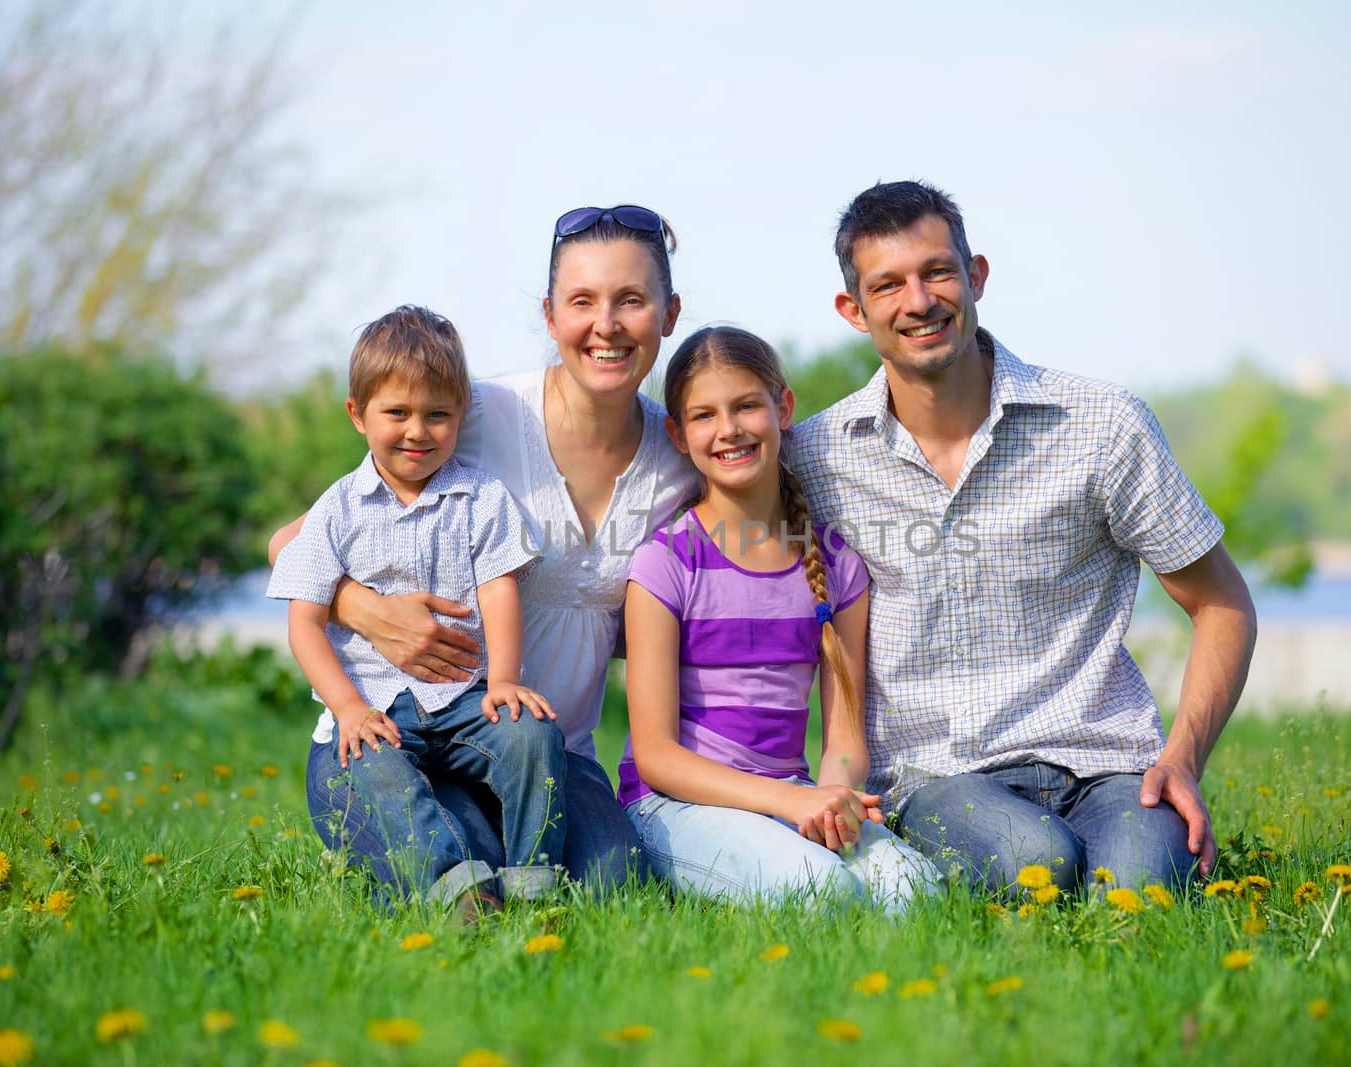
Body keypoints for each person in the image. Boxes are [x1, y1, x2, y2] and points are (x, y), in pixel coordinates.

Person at [787, 181, 1258, 893]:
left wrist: (1182, 759)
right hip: (936, 781)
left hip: (1109, 763)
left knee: (1141, 888)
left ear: (975, 275)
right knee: (1030, 862)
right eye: (888, 285)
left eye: (937, 272)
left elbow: (1222, 603)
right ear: (854, 310)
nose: (918, 301)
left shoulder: (1102, 426)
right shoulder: (818, 458)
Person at [271, 205, 697, 895]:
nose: (607, 325)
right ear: (551, 314)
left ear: (668, 312)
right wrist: (374, 613)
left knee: (613, 884)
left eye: (632, 301)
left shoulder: (682, 458)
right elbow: (288, 543)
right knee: (464, 861)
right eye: (583, 301)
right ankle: (428, 854)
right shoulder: (475, 415)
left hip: (543, 748)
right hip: (409, 728)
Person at [620, 325, 941, 912]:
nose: (729, 429)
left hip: (789, 794)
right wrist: (785, 804)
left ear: (783, 408)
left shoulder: (836, 565)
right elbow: (656, 755)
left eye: (746, 405)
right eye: (704, 415)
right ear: (678, 434)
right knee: (821, 892)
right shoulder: (665, 562)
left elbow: (844, 739)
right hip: (674, 804)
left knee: (913, 892)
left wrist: (833, 800)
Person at [268, 305, 565, 906]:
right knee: (376, 776)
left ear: (460, 416)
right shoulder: (338, 508)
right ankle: (454, 889)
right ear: (358, 415)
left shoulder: (481, 497)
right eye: (396, 413)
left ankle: (536, 887)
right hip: (373, 704)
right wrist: (347, 707)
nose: (417, 431)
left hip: (462, 698)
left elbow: (498, 589)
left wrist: (504, 681)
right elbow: (304, 623)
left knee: (533, 736)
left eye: (438, 415)